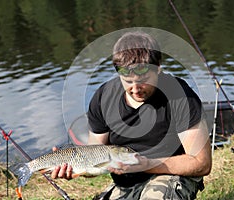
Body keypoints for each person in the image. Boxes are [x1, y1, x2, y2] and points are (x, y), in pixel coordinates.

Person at [52, 31, 212, 199]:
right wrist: (76, 168)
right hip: (126, 183)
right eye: (128, 81)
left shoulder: (180, 96)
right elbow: (94, 158)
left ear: (158, 68)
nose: (135, 89)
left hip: (171, 175)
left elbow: (201, 163)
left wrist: (145, 165)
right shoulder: (103, 97)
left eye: (143, 80)